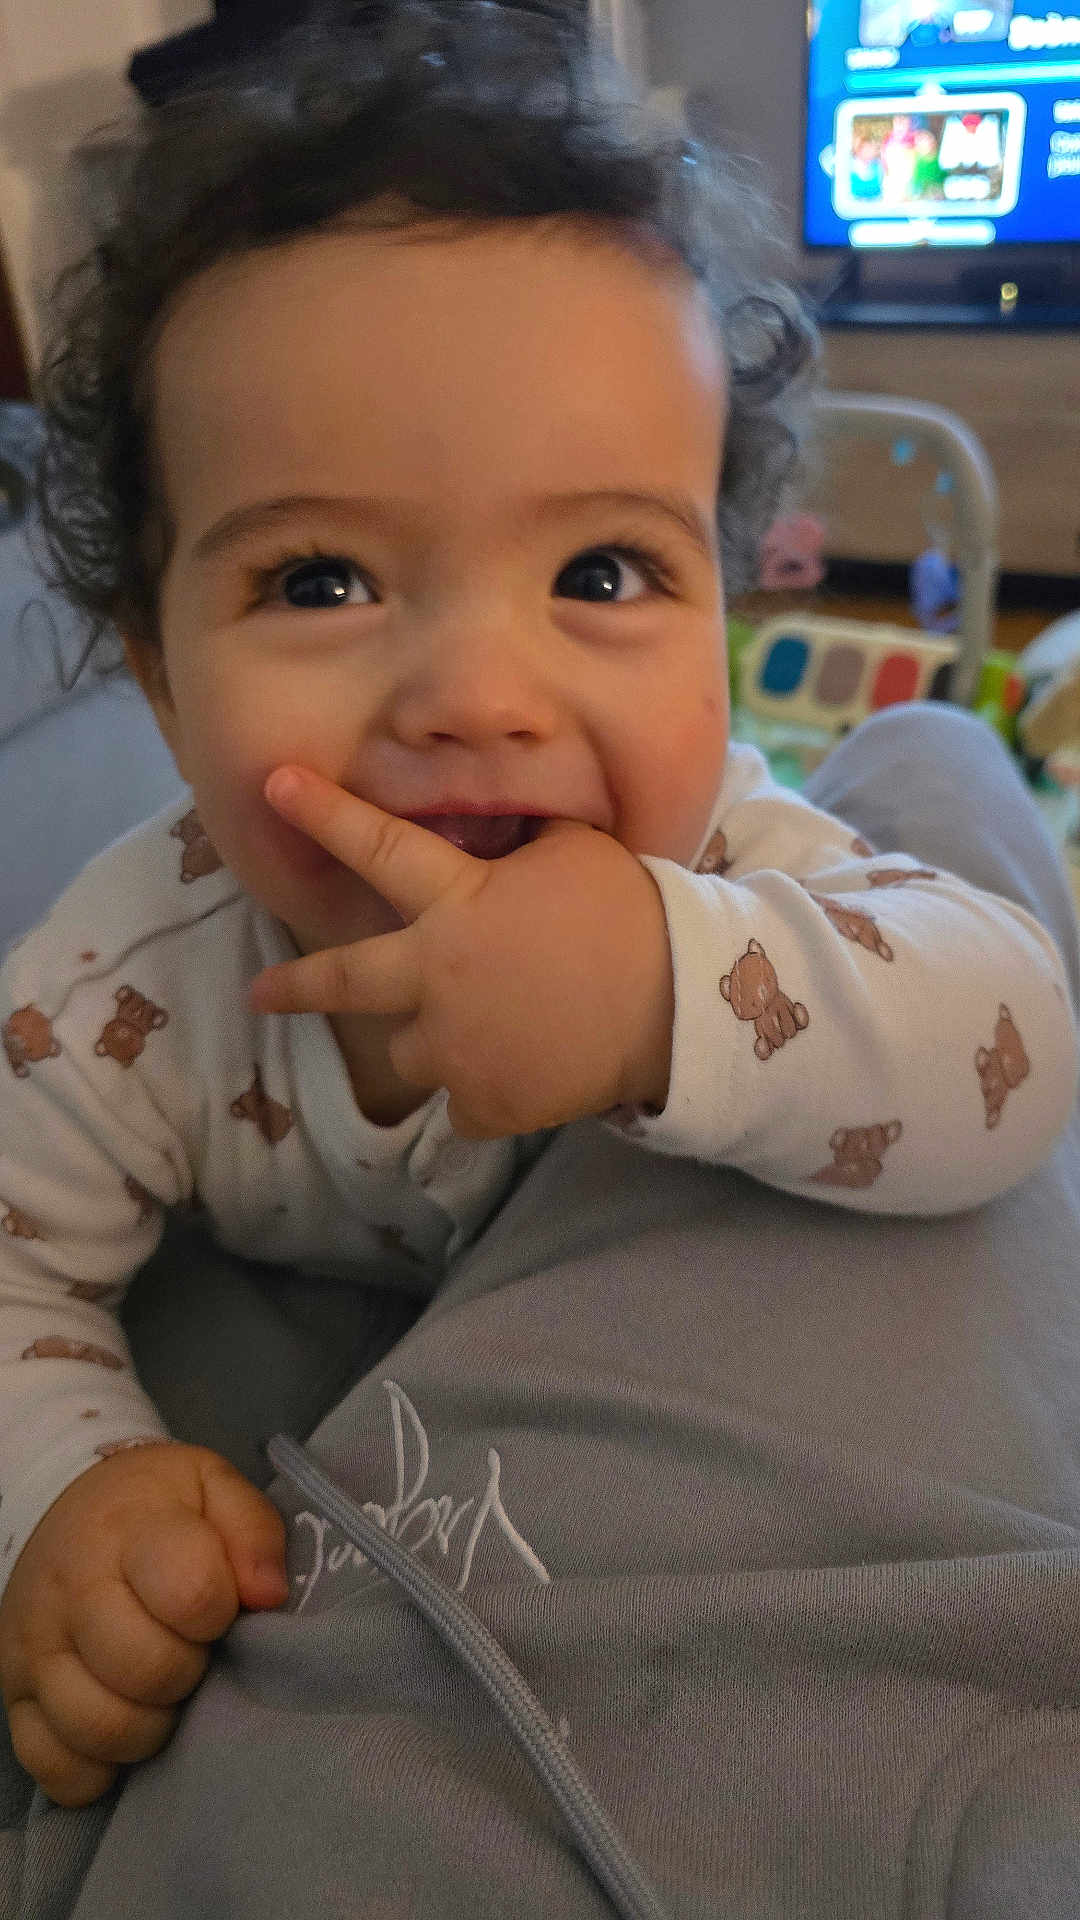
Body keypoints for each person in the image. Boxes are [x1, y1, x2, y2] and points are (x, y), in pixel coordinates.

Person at [0, 0, 1075, 1816]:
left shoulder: (725, 865)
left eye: (602, 569)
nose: (477, 696)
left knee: (946, 788)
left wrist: (668, 990)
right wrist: (74, 1480)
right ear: (164, 685)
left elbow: (1013, 1043)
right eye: (321, 580)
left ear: (725, 623)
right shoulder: (129, 985)